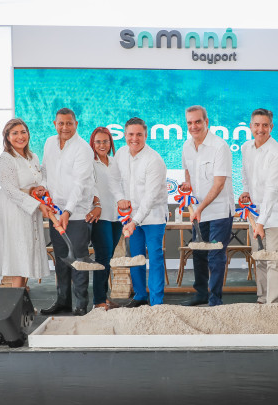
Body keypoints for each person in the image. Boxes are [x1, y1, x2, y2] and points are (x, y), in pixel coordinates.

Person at [40, 108, 96, 316]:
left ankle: (81, 304)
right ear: (55, 124)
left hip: (77, 214)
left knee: (78, 259)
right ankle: (63, 301)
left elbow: (80, 184)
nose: (65, 127)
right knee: (61, 259)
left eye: (69, 123)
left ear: (76, 124)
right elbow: (45, 171)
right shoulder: (49, 143)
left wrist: (68, 211)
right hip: (55, 213)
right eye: (61, 123)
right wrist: (43, 189)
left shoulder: (83, 149)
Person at [180, 105, 234, 307]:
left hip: (219, 211)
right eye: (190, 123)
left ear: (206, 122)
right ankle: (201, 294)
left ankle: (215, 299)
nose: (193, 126)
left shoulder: (220, 146)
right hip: (199, 210)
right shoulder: (186, 146)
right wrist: (188, 184)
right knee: (199, 252)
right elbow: (188, 171)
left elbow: (219, 184)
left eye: (197, 121)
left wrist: (200, 208)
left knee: (215, 255)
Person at [0, 118, 51, 288]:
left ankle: (22, 296)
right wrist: (38, 205)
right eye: (15, 133)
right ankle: (17, 299)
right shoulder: (5, 159)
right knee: (18, 255)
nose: (20, 136)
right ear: (7, 137)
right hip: (13, 209)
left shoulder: (33, 157)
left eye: (23, 132)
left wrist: (41, 187)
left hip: (30, 208)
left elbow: (42, 176)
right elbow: (10, 189)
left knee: (27, 252)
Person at [239, 108, 278, 305]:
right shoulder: (246, 147)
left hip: (276, 215)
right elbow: (245, 173)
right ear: (250, 126)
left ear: (271, 127)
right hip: (256, 213)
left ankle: (273, 305)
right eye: (256, 125)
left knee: (274, 261)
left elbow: (272, 190)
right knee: (260, 258)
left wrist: (260, 223)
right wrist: (246, 191)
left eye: (265, 125)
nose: (260, 129)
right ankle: (262, 301)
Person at [117, 117, 168, 307]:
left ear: (146, 136)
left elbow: (150, 197)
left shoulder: (154, 160)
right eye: (131, 134)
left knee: (155, 257)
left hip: (153, 216)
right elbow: (115, 182)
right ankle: (139, 296)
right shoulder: (120, 154)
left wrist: (134, 221)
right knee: (135, 257)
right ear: (125, 135)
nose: (134, 138)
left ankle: (156, 302)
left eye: (139, 134)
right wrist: (120, 201)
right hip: (131, 217)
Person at [88, 126, 127, 309]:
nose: (102, 145)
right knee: (102, 257)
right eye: (98, 142)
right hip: (100, 216)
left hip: (116, 217)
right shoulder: (90, 163)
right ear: (93, 144)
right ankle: (98, 301)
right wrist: (97, 205)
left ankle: (104, 297)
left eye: (105, 141)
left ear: (111, 143)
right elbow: (90, 186)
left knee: (108, 258)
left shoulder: (115, 162)